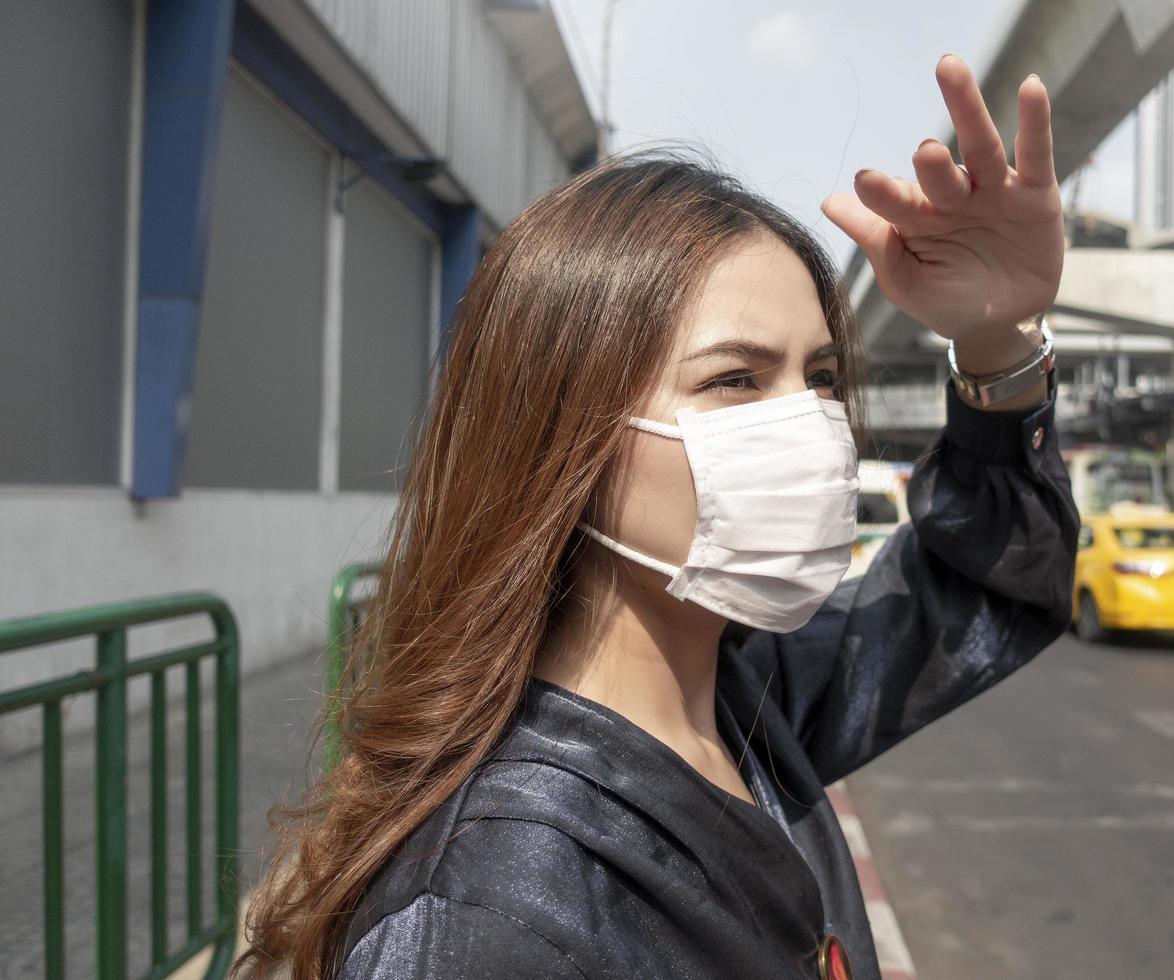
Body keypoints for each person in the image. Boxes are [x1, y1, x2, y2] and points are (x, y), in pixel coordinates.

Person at [236, 53, 1078, 980]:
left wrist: (996, 339)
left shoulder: (739, 703)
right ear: (564, 436)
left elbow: (980, 589)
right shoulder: (493, 915)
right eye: (734, 380)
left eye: (822, 378)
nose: (809, 426)